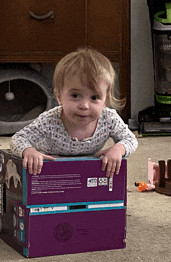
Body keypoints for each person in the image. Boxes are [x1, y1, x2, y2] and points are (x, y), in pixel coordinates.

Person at [10, 47, 138, 178]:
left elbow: (130, 139)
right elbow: (18, 139)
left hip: (85, 174)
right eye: (75, 95)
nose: (84, 105)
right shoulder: (49, 121)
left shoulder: (109, 118)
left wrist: (118, 149)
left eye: (94, 98)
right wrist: (29, 151)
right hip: (47, 175)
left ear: (105, 101)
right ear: (59, 96)